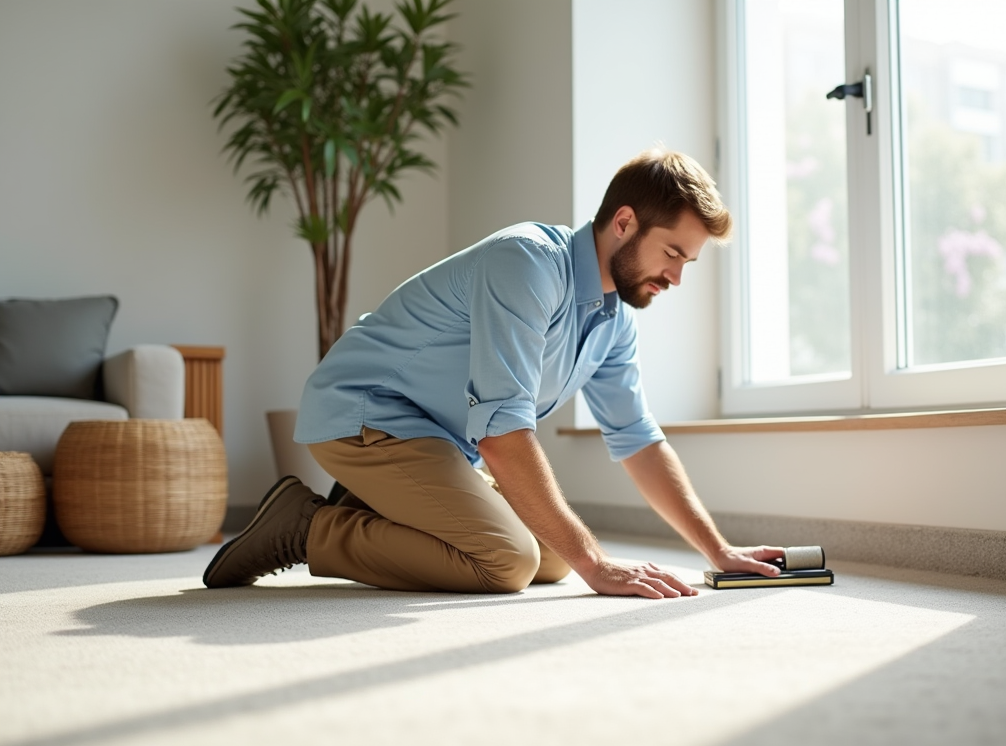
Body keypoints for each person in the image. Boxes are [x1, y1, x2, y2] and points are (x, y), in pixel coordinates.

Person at [203, 148, 786, 599]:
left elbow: (638, 440)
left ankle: (373, 507)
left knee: (555, 558)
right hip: (365, 411)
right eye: (673, 254)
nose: (677, 278)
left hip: (437, 438)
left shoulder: (613, 318)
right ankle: (306, 527)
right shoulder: (528, 262)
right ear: (625, 222)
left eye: (688, 261)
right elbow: (504, 436)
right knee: (509, 561)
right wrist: (600, 566)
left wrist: (718, 550)